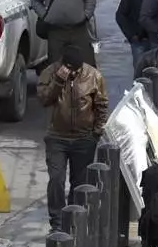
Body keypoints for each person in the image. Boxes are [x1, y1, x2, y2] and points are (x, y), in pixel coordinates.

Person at [37, 43, 108, 233]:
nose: (73, 73)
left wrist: (97, 132)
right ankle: (57, 222)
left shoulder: (93, 75)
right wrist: (58, 82)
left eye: (76, 69)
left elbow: (101, 105)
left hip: (84, 138)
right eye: (69, 68)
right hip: (56, 138)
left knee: (79, 183)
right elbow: (44, 99)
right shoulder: (50, 72)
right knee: (56, 180)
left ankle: (74, 220)